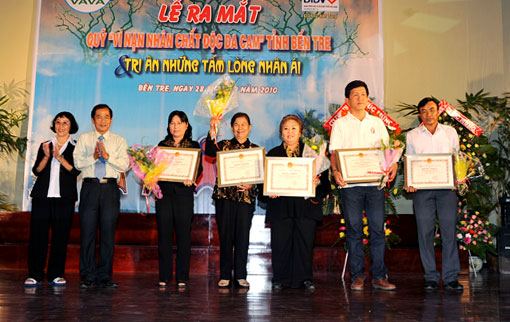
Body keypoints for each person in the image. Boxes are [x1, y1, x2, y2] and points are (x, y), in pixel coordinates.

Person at [329, 80, 397, 291]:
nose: (360, 98)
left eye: (363, 94)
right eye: (355, 95)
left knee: (377, 229)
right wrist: (336, 171)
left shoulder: (377, 123)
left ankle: (379, 276)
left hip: (375, 184)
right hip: (350, 186)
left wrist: (393, 164)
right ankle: (357, 276)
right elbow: (334, 153)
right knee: (354, 229)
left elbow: (387, 151)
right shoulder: (340, 124)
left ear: (368, 98)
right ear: (347, 100)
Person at [266, 114, 331, 291]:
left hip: (306, 208)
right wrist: (269, 192)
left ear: (301, 132)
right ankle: (280, 278)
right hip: (281, 208)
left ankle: (305, 278)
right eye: (286, 128)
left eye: (294, 128)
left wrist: (316, 185)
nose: (290, 132)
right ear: (281, 133)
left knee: (304, 243)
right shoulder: (272, 154)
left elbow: (326, 184)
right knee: (281, 244)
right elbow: (263, 185)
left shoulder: (313, 154)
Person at [405, 97, 463, 292]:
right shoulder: (412, 135)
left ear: (439, 111)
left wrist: (458, 178)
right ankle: (430, 276)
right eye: (424, 111)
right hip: (422, 191)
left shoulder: (450, 132)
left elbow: (456, 159)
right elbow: (410, 161)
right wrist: (410, 182)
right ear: (419, 114)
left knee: (448, 233)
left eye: (432, 109)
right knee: (425, 233)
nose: (428, 114)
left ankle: (450, 278)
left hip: (447, 190)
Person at [73, 104, 129, 289]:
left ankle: (105, 276)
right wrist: (94, 157)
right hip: (89, 188)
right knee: (87, 234)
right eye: (99, 117)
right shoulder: (84, 138)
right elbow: (77, 163)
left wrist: (107, 156)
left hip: (110, 190)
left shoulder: (119, 140)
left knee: (107, 234)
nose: (103, 120)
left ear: (111, 119)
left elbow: (124, 165)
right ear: (92, 120)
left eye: (106, 117)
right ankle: (88, 276)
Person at [24, 112, 80, 287]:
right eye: (58, 122)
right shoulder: (45, 145)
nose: (61, 126)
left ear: (71, 126)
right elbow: (37, 171)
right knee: (37, 237)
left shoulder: (76, 146)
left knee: (60, 237)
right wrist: (48, 156)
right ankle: (35, 274)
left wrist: (59, 158)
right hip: (42, 197)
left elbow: (75, 171)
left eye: (65, 122)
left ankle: (55, 274)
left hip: (64, 198)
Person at [205, 112, 258, 289]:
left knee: (243, 237)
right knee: (226, 237)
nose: (240, 128)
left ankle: (241, 275)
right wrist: (213, 129)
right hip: (225, 199)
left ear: (249, 127)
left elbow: (261, 177)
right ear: (232, 127)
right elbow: (209, 151)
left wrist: (251, 185)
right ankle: (225, 275)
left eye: (243, 124)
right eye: (236, 124)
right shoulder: (224, 145)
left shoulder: (255, 150)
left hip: (245, 199)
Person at [156, 111, 202, 288]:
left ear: (186, 125)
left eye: (179, 123)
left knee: (184, 238)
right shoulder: (162, 145)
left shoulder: (193, 146)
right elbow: (155, 169)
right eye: (172, 123)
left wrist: (192, 177)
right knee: (164, 237)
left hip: (184, 196)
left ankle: (183, 276)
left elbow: (198, 169)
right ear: (168, 126)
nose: (175, 126)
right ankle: (164, 276)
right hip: (164, 196)